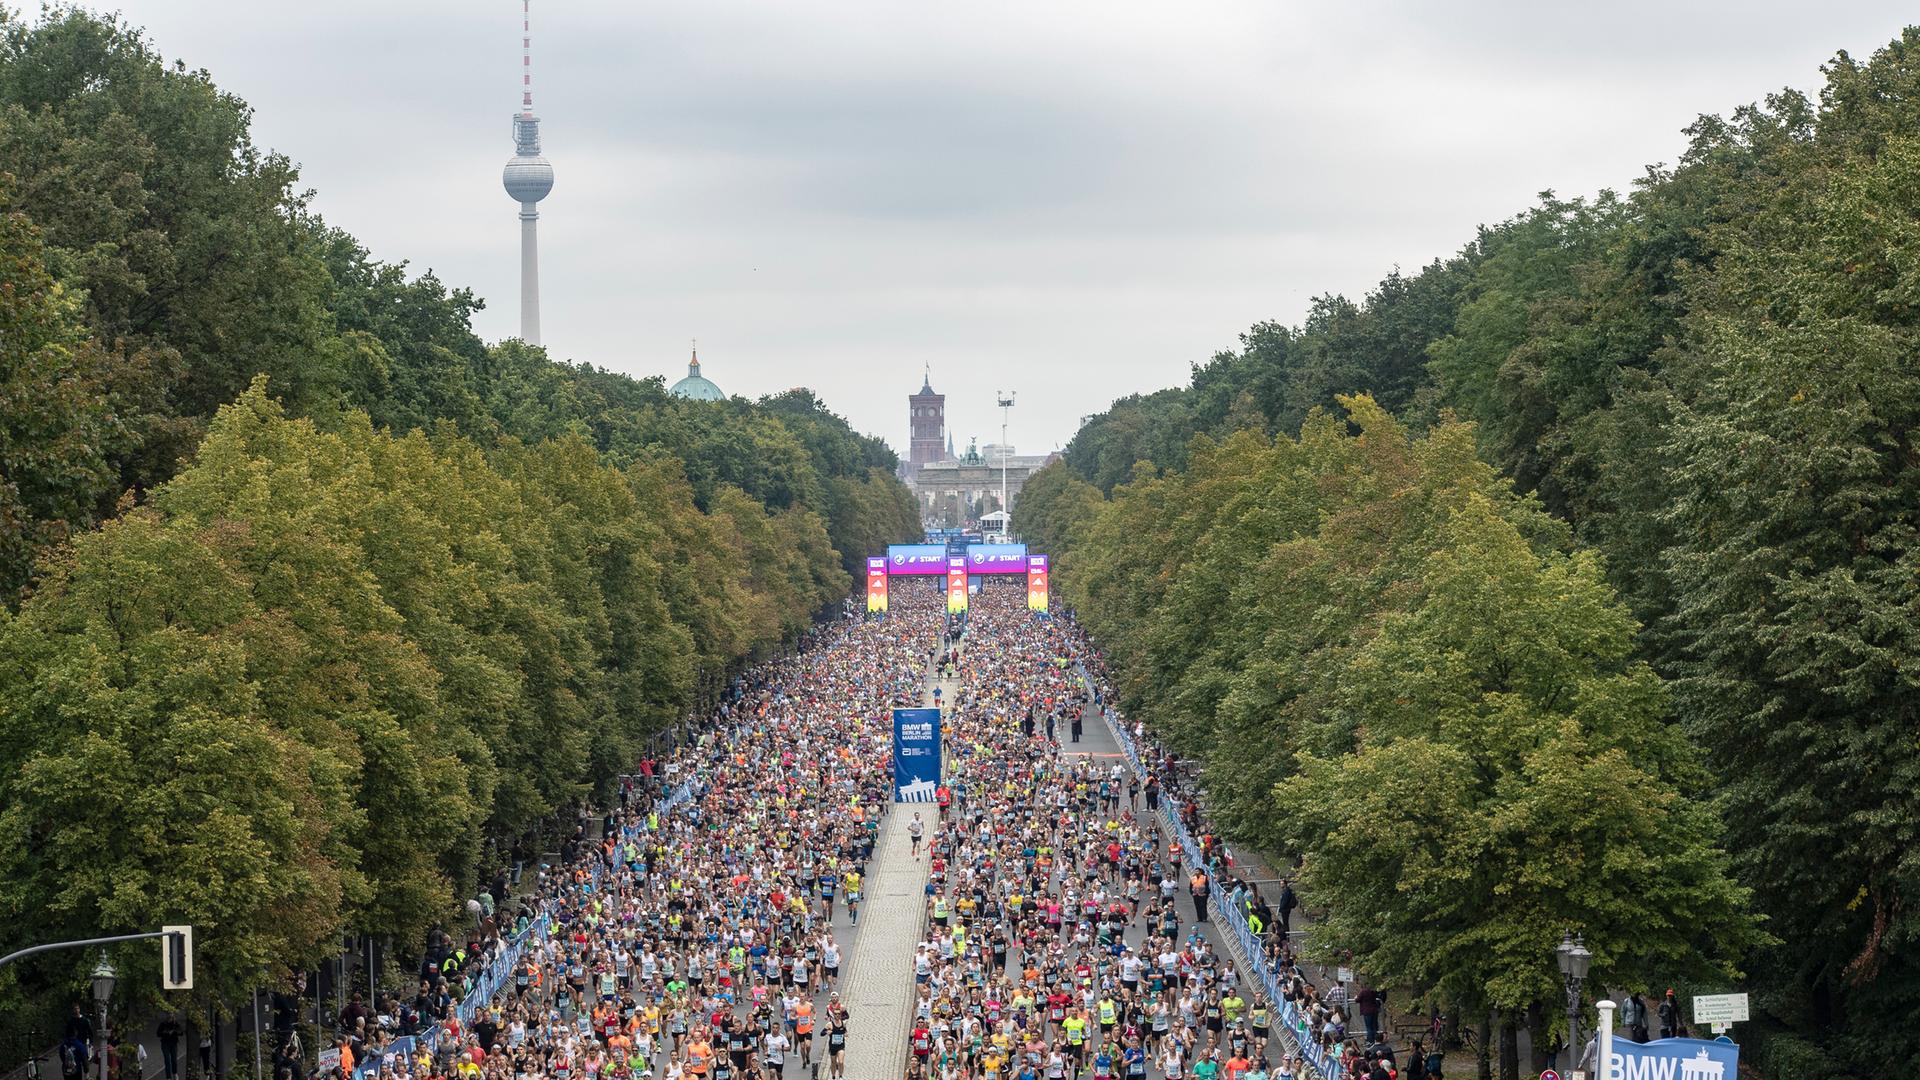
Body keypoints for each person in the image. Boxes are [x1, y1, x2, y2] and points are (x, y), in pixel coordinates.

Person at [156, 1015, 184, 1080]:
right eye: (169, 1018)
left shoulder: (176, 1024)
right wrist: (166, 1033)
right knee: (167, 1060)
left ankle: (175, 1073)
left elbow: (181, 1032)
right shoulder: (163, 1024)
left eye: (172, 1017)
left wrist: (175, 1031)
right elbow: (158, 1033)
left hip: (173, 1044)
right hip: (165, 1044)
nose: (170, 1019)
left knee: (174, 1060)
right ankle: (168, 1077)